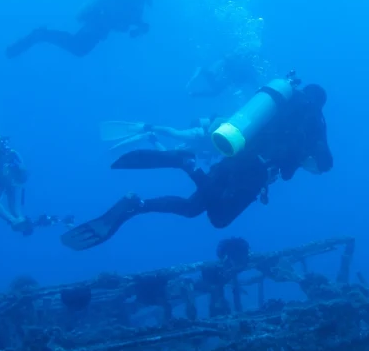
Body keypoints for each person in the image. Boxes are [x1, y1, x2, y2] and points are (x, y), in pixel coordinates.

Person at [63, 80, 333, 250]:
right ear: (320, 103)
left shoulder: (281, 104)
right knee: (219, 218)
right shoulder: (314, 121)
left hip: (232, 159)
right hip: (254, 174)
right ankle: (187, 163)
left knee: (193, 208)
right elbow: (324, 164)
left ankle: (138, 204)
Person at [5, 0, 155, 59]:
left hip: (100, 27)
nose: (144, 1)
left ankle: (42, 35)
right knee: (78, 48)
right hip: (97, 24)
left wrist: (141, 28)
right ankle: (41, 34)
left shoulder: (135, 3)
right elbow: (117, 13)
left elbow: (132, 21)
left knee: (78, 48)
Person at [186, 52, 261, 98]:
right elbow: (254, 84)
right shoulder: (249, 71)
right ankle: (204, 72)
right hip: (230, 76)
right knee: (216, 91)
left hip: (230, 77)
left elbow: (253, 84)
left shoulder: (248, 70)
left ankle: (195, 93)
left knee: (216, 91)